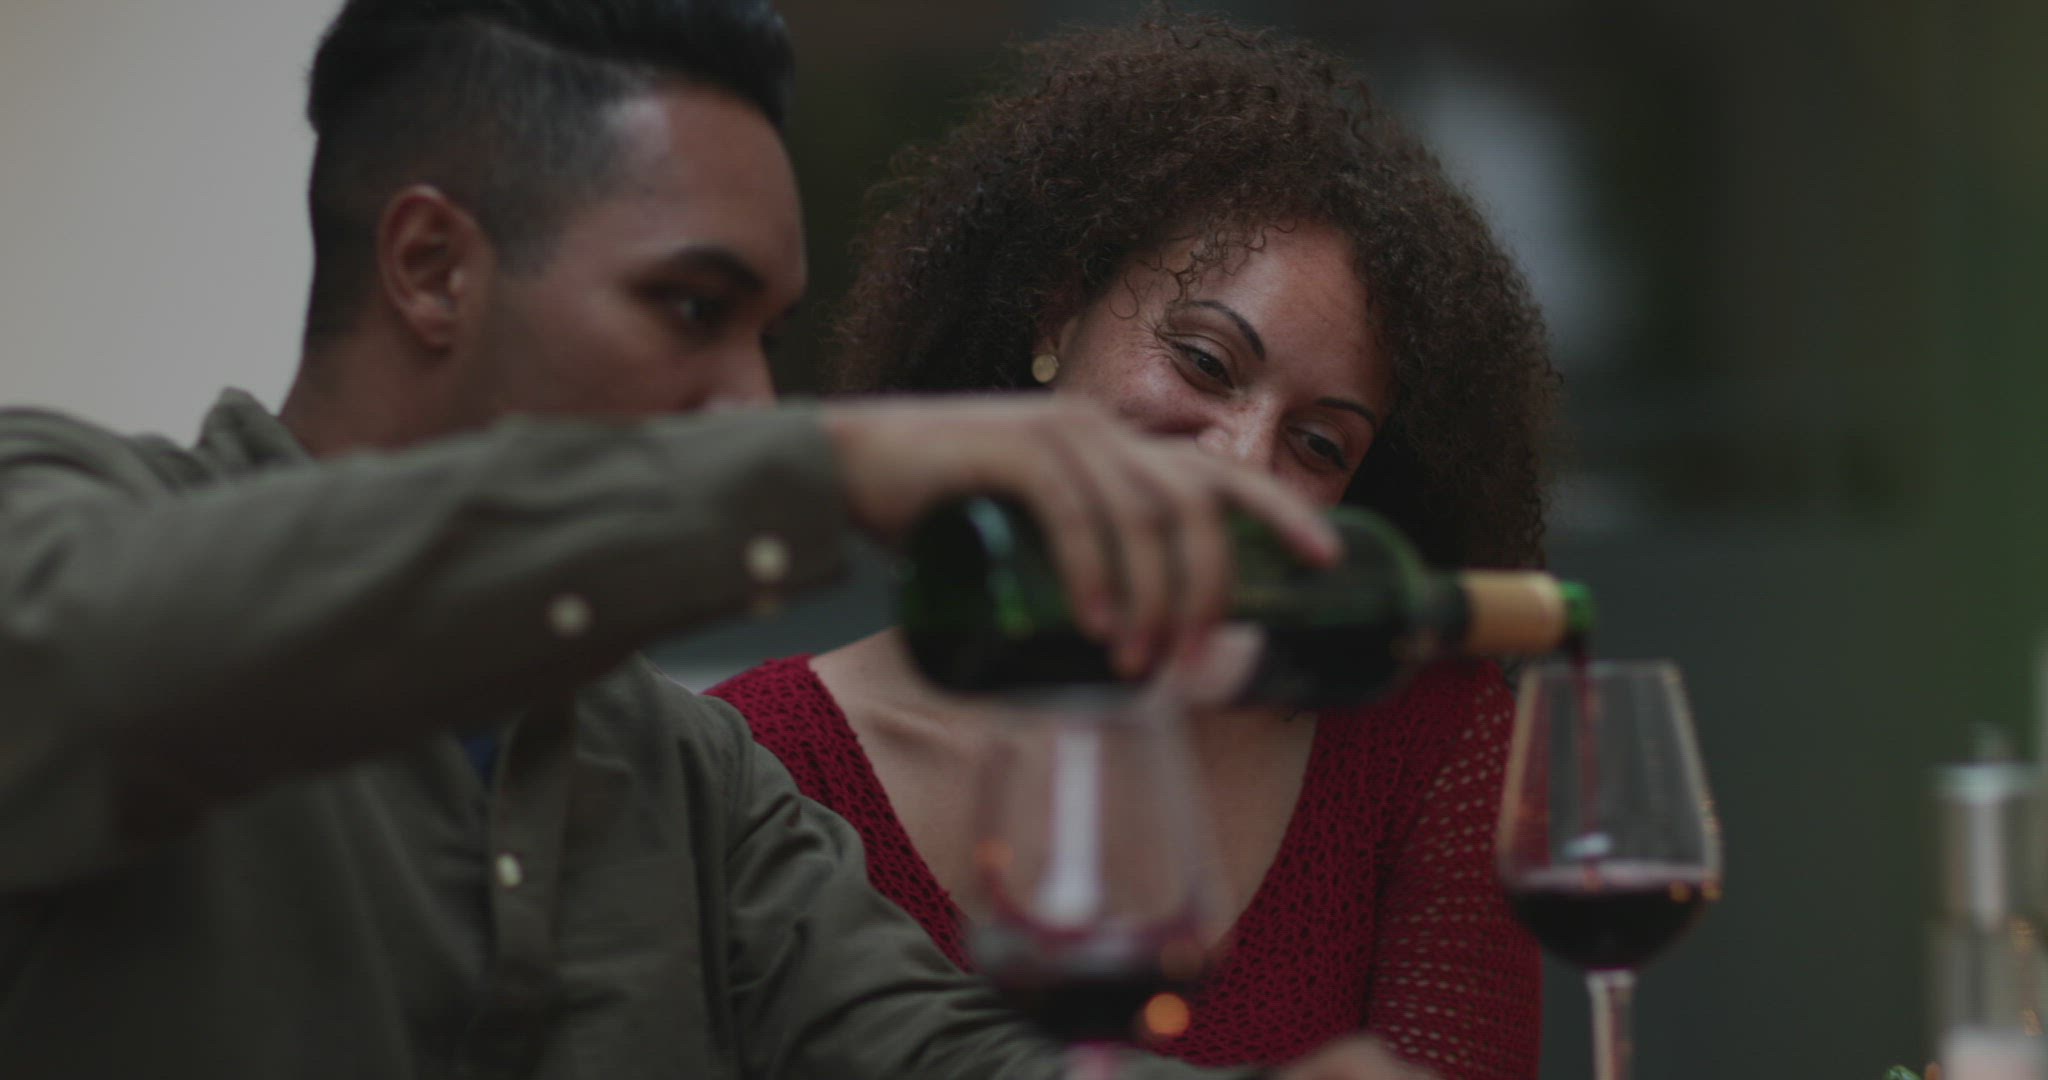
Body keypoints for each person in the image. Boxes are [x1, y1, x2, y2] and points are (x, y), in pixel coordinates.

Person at [0, 2, 1437, 1079]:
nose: (749, 403)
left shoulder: (693, 779)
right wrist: (833, 466)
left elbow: (948, 1062)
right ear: (432, 268)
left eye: (768, 337)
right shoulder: (56, 513)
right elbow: (88, 657)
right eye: (692, 308)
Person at [709, 12, 1556, 1080]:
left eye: (1316, 444)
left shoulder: (1422, 740)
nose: (1242, 465)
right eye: (1204, 362)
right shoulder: (759, 761)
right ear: (1058, 316)